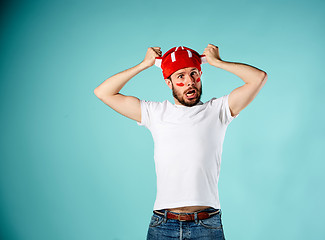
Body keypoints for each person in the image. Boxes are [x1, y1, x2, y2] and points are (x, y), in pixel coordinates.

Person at [94, 44, 268, 239]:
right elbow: (103, 92)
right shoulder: (155, 113)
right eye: (180, 77)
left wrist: (218, 62)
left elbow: (258, 78)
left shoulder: (218, 111)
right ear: (169, 83)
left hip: (206, 225)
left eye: (194, 74)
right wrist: (144, 64)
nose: (189, 82)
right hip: (163, 225)